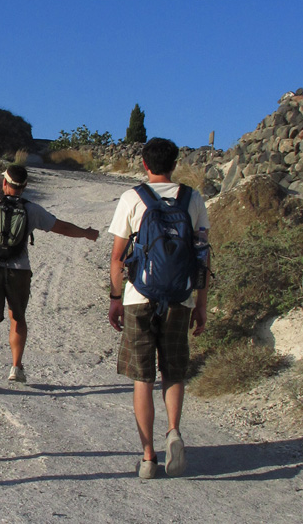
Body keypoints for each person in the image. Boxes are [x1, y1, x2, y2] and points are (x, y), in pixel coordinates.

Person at [107, 137, 209, 479]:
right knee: (174, 371)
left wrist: (116, 298)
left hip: (139, 296)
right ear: (175, 164)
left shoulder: (131, 197)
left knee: (142, 378)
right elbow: (202, 255)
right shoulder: (193, 199)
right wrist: (201, 304)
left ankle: (149, 456)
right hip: (180, 296)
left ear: (145, 165)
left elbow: (118, 256)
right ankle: (174, 431)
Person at [0, 164, 99, 393]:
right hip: (20, 269)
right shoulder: (31, 210)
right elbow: (61, 227)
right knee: (17, 317)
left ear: (4, 183)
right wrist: (86, 232)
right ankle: (16, 367)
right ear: (24, 188)